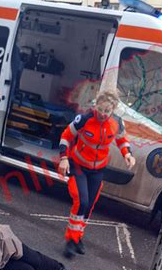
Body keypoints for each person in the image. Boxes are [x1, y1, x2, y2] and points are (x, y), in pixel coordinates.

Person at [58, 90, 136, 258]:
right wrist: (64, 158)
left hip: (98, 170)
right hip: (79, 166)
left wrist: (127, 154)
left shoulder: (116, 122)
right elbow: (66, 136)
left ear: (113, 109)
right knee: (82, 201)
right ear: (96, 106)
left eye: (107, 111)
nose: (102, 114)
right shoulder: (85, 119)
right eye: (100, 109)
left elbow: (122, 140)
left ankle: (78, 237)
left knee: (90, 205)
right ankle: (70, 241)